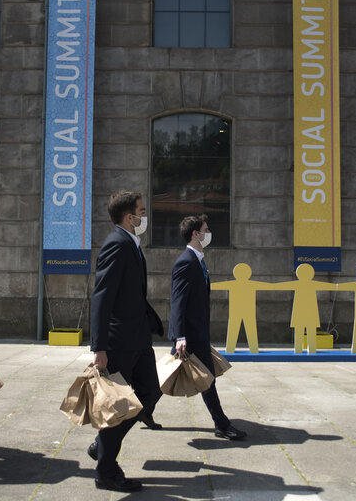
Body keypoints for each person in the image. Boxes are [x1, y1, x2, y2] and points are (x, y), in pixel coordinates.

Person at [87, 191, 163, 492]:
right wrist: (99, 347)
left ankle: (101, 446)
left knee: (150, 393)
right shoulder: (117, 246)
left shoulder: (132, 244)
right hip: (119, 342)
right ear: (129, 217)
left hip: (139, 338)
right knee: (118, 407)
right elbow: (101, 298)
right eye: (142, 211)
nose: (145, 217)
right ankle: (106, 472)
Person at [168, 215, 246, 440]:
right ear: (195, 234)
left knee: (173, 378)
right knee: (207, 378)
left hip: (197, 331)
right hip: (190, 334)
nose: (208, 233)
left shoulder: (198, 259)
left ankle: (144, 411)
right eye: (205, 229)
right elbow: (177, 301)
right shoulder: (186, 261)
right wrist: (180, 335)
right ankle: (222, 424)